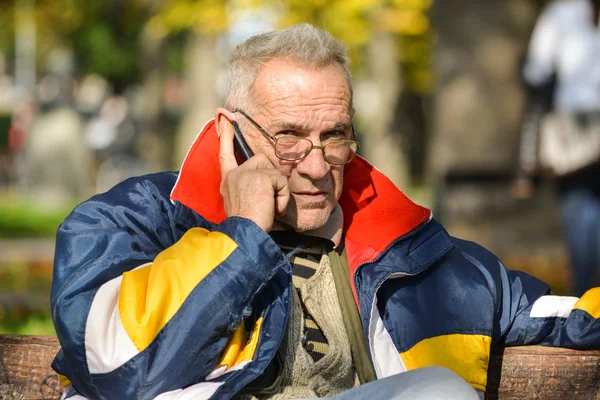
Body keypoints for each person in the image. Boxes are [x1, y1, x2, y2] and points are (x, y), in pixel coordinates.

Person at [51, 24, 599, 400]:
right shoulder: (133, 220)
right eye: (288, 136)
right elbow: (111, 363)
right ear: (230, 134)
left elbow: (566, 316)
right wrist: (237, 237)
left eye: (333, 135)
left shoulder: (420, 254)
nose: (316, 167)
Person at [518, 0, 600, 295]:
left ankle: (586, 301)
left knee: (580, 211)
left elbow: (536, 72)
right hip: (578, 130)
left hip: (574, 134)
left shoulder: (561, 13)